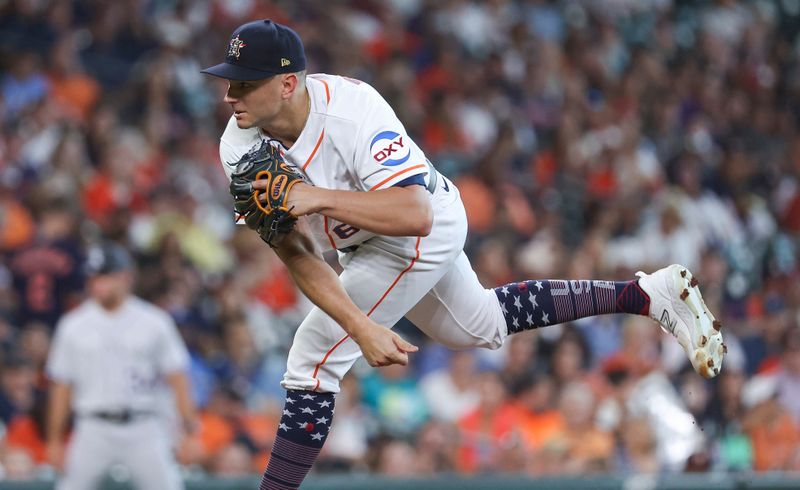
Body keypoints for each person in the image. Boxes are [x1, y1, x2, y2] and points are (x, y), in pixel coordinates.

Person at [201, 19, 726, 490]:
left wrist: (316, 198)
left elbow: (414, 214)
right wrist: (361, 328)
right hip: (363, 244)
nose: (230, 94)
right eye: (229, 79)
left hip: (419, 226)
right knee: (480, 327)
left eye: (245, 82)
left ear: (288, 83)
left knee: (311, 358)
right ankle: (645, 295)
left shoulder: (351, 110)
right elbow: (298, 254)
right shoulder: (239, 147)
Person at [45, 242, 197, 490]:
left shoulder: (154, 322)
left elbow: (177, 377)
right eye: (93, 277)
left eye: (105, 276)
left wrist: (189, 430)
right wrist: (54, 439)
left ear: (125, 277)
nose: (97, 284)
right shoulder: (73, 325)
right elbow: (61, 384)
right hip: (92, 428)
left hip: (144, 427)